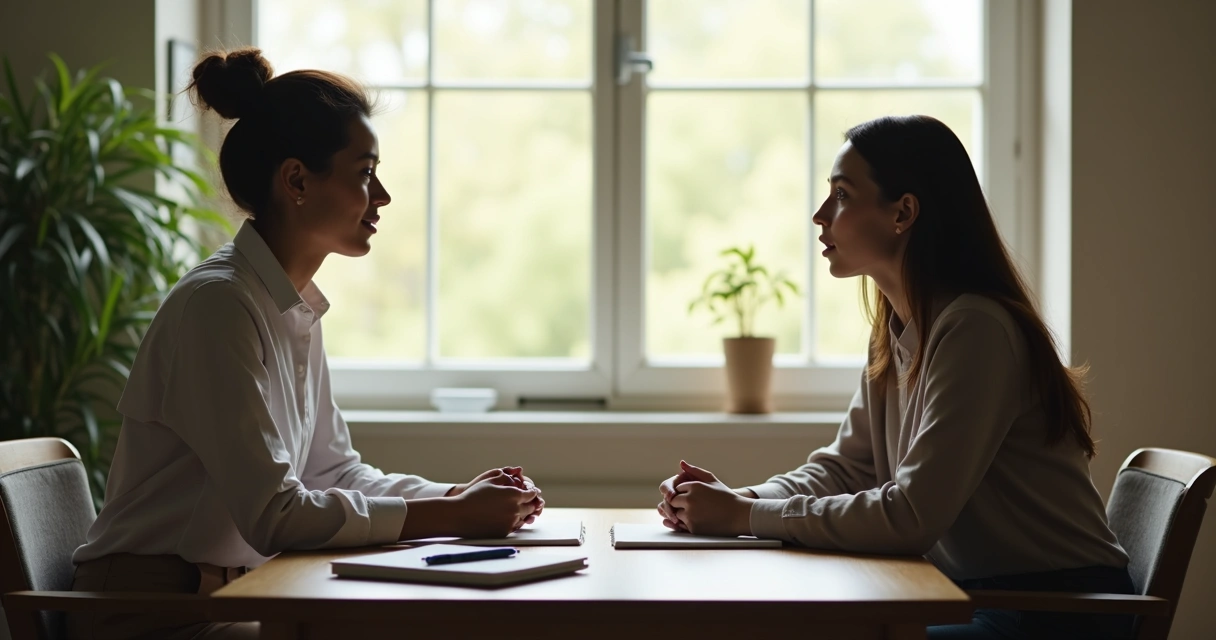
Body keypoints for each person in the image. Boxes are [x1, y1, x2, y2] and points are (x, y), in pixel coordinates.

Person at [69, 48, 544, 640]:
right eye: (366, 173)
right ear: (296, 179)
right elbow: (276, 516)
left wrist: (454, 495)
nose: (384, 197)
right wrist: (450, 515)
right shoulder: (218, 307)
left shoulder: (288, 305)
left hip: (241, 597)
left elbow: (331, 470)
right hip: (153, 618)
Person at [657, 115, 1133, 639]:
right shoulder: (896, 328)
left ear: (903, 212)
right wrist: (739, 499)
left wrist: (745, 517)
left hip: (1055, 614)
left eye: (841, 194)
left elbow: (910, 515)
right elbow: (847, 469)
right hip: (974, 599)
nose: (820, 216)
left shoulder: (976, 329)